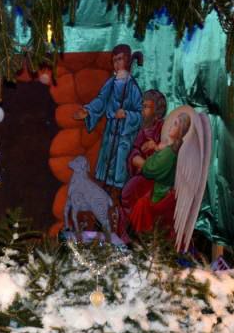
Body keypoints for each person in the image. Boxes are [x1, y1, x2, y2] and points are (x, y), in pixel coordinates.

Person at [73, 44, 143, 201]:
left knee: (120, 163)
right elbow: (101, 100)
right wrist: (88, 110)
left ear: (127, 60)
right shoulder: (111, 83)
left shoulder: (132, 87)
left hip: (124, 135)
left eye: (120, 59)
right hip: (111, 131)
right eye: (114, 60)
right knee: (107, 162)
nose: (117, 64)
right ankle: (105, 193)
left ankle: (118, 193)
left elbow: (140, 114)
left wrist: (126, 114)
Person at [128, 112, 192, 236]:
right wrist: (157, 148)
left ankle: (138, 237)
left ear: (180, 131)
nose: (170, 126)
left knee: (140, 205)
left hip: (160, 195)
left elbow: (150, 170)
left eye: (175, 124)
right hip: (162, 192)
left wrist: (138, 160)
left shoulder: (169, 153)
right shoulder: (172, 149)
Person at [121, 89, 167, 215]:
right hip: (144, 174)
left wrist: (155, 147)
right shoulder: (142, 131)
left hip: (157, 179)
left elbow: (169, 151)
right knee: (126, 195)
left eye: (146, 107)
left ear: (157, 111)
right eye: (142, 106)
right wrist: (137, 159)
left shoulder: (164, 128)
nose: (142, 110)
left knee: (130, 195)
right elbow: (135, 149)